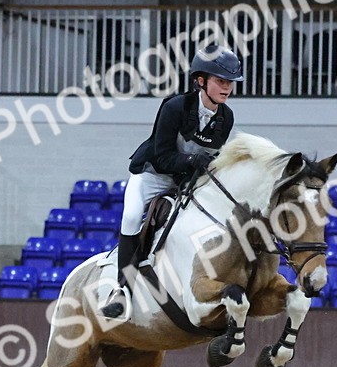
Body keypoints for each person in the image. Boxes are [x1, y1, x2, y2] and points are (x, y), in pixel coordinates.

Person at [101, 47, 243, 319]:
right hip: (153, 174)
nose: (227, 88)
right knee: (131, 217)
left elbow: (211, 157)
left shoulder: (226, 117)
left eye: (230, 83)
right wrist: (192, 161)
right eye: (221, 81)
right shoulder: (174, 107)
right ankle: (122, 290)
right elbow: (163, 154)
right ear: (201, 81)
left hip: (186, 181)